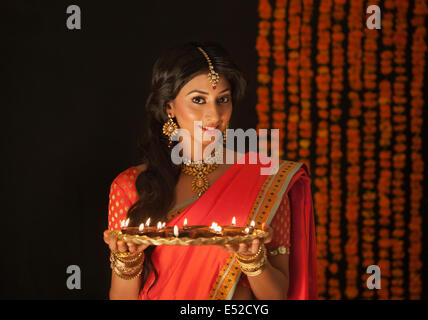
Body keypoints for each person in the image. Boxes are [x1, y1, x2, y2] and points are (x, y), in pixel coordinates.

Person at [103, 41, 318, 300]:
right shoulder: (130, 186)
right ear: (169, 107)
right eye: (198, 100)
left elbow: (277, 296)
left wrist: (253, 261)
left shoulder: (265, 178)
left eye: (223, 99)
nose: (214, 115)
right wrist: (128, 261)